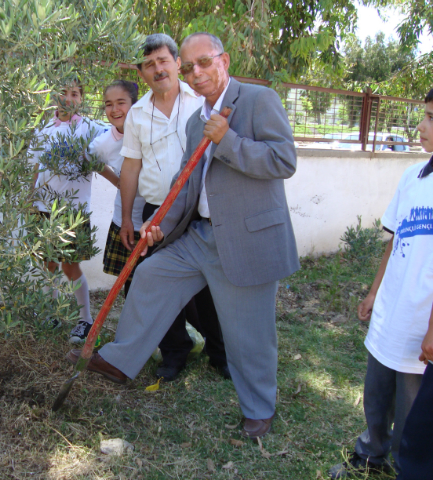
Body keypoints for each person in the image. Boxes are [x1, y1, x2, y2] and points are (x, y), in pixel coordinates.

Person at [67, 32, 299, 439]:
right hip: (199, 234)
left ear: (223, 60)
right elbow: (185, 185)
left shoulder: (260, 101)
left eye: (203, 63)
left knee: (249, 334)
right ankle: (121, 361)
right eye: (190, 67)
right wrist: (158, 226)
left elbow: (282, 160)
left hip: (244, 239)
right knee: (152, 275)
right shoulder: (197, 122)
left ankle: (259, 408)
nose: (196, 73)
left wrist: (227, 140)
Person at [329, 88, 433, 479]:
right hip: (392, 311)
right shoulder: (413, 176)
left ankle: (406, 468)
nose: (421, 126)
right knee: (376, 394)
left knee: (413, 411)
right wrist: (374, 292)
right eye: (424, 115)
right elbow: (396, 241)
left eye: (431, 118)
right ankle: (371, 455)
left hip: (423, 325)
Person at [119, 33, 228, 381]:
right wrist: (127, 217)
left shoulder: (201, 102)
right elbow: (131, 167)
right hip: (157, 212)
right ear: (142, 73)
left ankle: (221, 352)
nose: (157, 69)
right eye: (149, 64)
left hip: (197, 210)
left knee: (210, 286)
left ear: (177, 63)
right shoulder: (136, 114)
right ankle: (175, 352)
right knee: (155, 282)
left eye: (163, 60)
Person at [29, 82, 117, 344]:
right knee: (48, 264)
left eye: (75, 94)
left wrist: (123, 182)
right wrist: (29, 199)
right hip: (44, 208)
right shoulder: (42, 129)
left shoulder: (91, 128)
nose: (68, 98)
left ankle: (85, 320)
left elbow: (106, 155)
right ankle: (52, 313)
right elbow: (36, 168)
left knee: (70, 267)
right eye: (63, 92)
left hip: (73, 212)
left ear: (81, 99)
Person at [88, 80, 146, 297]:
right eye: (108, 104)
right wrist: (116, 180)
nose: (114, 110)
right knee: (132, 283)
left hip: (157, 218)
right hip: (127, 221)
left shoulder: (149, 131)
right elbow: (90, 159)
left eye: (121, 103)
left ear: (135, 103)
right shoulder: (105, 141)